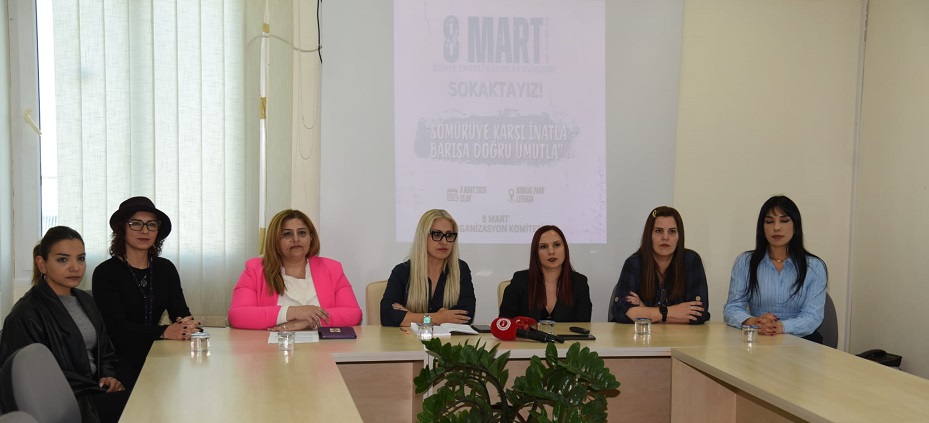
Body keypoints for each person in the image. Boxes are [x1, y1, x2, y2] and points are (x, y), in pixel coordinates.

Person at [0, 227, 130, 423]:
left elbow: (106, 350)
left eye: (81, 258)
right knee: (145, 403)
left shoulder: (86, 301)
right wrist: (97, 388)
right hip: (67, 403)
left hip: (96, 390)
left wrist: (108, 377)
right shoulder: (26, 314)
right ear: (42, 264)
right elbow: (35, 379)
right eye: (63, 260)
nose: (75, 267)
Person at [92, 196, 199, 387]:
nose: (144, 231)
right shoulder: (105, 272)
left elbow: (181, 313)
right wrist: (165, 331)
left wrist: (189, 327)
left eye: (151, 224)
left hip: (159, 353)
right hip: (119, 361)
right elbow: (117, 328)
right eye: (136, 223)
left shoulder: (165, 268)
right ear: (122, 228)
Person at [228, 209, 362, 330]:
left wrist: (309, 322)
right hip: (273, 346)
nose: (296, 239)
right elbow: (238, 315)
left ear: (311, 237)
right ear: (275, 240)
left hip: (322, 346)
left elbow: (353, 314)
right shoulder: (255, 270)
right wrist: (294, 312)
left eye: (302, 233)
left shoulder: (332, 268)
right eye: (287, 234)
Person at [723, 195, 828, 342]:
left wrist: (780, 327)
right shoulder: (745, 262)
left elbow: (813, 317)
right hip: (759, 339)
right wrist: (755, 322)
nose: (776, 227)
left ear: (795, 225)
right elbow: (732, 307)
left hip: (802, 342)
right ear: (762, 227)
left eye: (784, 221)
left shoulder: (815, 267)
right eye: (769, 221)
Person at [609, 207, 710, 324]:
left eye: (672, 231)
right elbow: (622, 312)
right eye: (659, 231)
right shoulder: (634, 263)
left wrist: (645, 312)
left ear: (679, 236)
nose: (665, 237)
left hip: (680, 335)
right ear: (649, 235)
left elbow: (698, 315)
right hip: (641, 335)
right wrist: (672, 312)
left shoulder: (691, 261)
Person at [381, 209, 476, 326]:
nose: (444, 241)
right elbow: (387, 316)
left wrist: (411, 316)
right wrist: (436, 318)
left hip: (447, 338)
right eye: (437, 234)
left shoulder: (460, 269)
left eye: (449, 235)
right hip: (408, 338)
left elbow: (465, 316)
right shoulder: (403, 271)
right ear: (423, 237)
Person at [499, 225, 592, 322]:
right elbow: (504, 323)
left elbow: (583, 325)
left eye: (557, 245)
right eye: (543, 247)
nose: (551, 252)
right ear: (536, 253)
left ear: (565, 248)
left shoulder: (579, 283)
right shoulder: (520, 280)